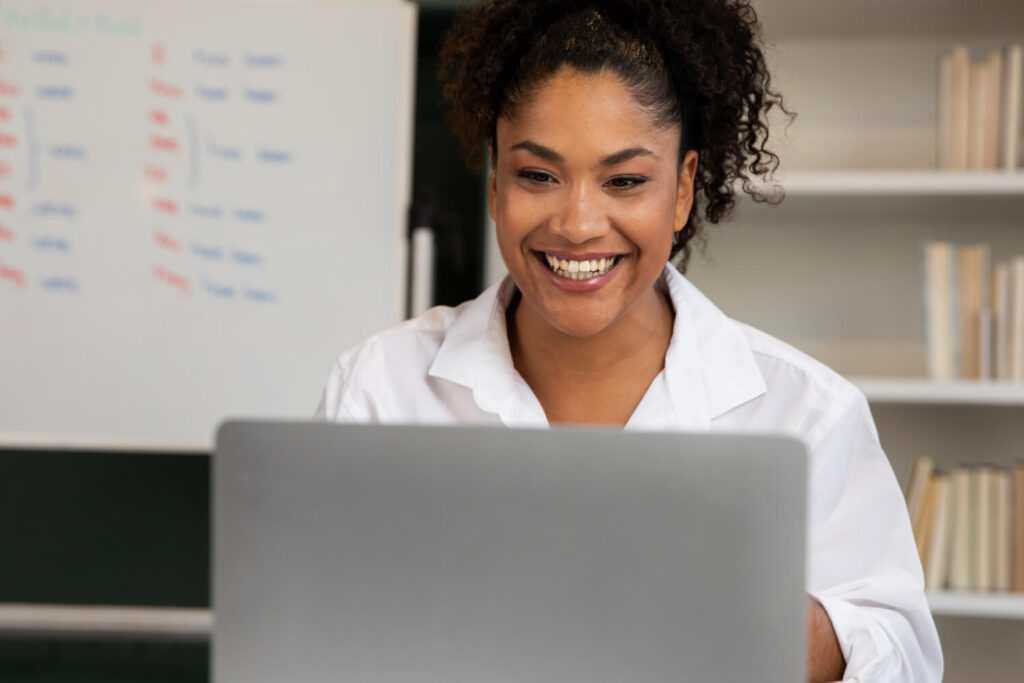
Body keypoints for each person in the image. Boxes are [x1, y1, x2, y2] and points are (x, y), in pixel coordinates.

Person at [316, 1, 943, 680]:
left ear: (681, 191)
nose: (580, 223)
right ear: (496, 184)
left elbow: (903, 657)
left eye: (625, 181)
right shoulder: (381, 386)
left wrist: (756, 616)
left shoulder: (804, 411)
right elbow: (303, 638)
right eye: (537, 175)